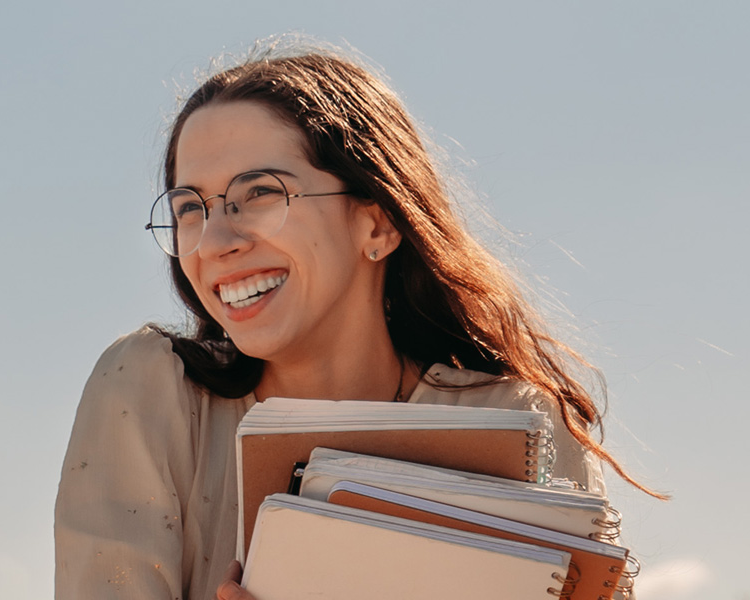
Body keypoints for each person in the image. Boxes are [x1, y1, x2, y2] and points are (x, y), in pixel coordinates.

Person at [54, 41, 662, 600]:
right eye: (191, 208)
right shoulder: (148, 393)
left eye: (260, 192)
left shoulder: (520, 423)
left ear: (378, 222)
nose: (214, 241)